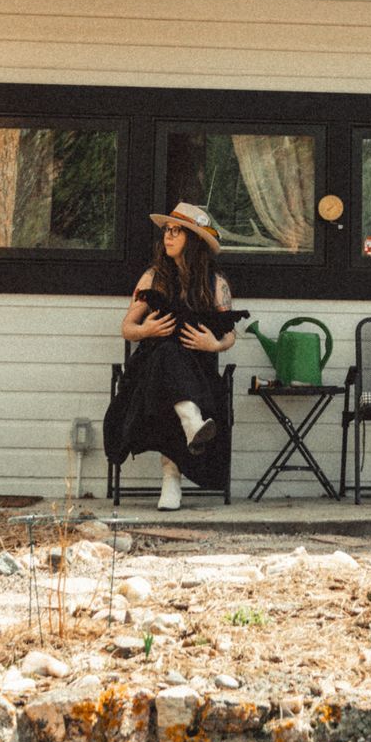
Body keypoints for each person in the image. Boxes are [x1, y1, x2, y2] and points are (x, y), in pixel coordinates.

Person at [103, 200, 240, 510]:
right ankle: (191, 423)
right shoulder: (153, 278)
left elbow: (230, 333)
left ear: (192, 240)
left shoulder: (215, 283)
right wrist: (146, 330)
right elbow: (127, 328)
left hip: (198, 372)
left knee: (171, 368)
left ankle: (171, 479)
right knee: (165, 352)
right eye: (167, 230)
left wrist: (214, 345)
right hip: (148, 372)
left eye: (177, 231)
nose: (168, 236)